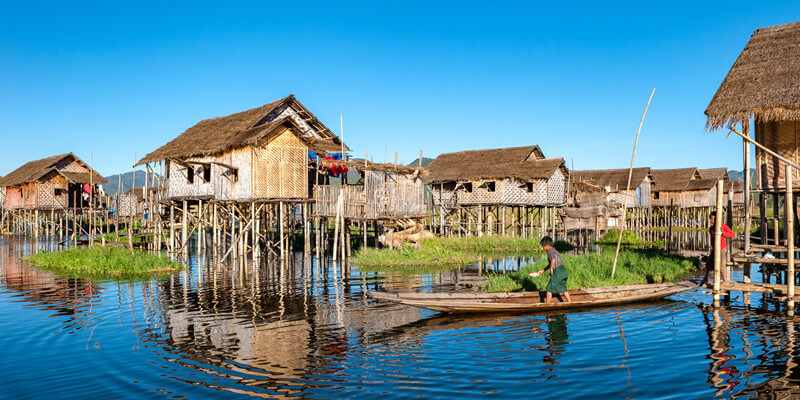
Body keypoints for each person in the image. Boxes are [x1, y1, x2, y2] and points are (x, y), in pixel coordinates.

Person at [529, 236, 571, 303]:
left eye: (543, 246)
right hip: (563, 271)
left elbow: (553, 260)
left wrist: (551, 269)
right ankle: (569, 302)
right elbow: (551, 263)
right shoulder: (555, 251)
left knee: (549, 289)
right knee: (563, 288)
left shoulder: (550, 252)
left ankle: (547, 304)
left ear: (547, 245)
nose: (543, 248)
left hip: (557, 272)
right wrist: (543, 270)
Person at [701, 211, 736, 285]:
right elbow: (711, 238)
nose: (711, 221)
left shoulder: (723, 227)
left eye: (713, 219)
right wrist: (711, 245)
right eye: (710, 219)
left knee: (722, 264)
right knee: (709, 263)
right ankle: (706, 278)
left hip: (722, 248)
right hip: (715, 248)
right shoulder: (711, 228)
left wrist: (723, 233)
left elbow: (733, 234)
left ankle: (725, 280)